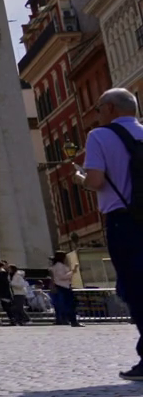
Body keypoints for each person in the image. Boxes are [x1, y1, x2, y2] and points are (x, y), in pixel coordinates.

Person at [77, 86, 143, 380]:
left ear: (110, 109)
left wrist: (80, 179)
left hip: (124, 222)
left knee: (135, 288)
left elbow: (95, 181)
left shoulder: (100, 136)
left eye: (98, 109)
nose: (97, 114)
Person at [51, 252, 81, 327]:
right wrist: (72, 271)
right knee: (69, 304)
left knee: (67, 304)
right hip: (63, 286)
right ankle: (72, 321)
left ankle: (67, 320)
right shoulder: (59, 266)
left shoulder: (57, 265)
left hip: (63, 286)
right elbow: (62, 277)